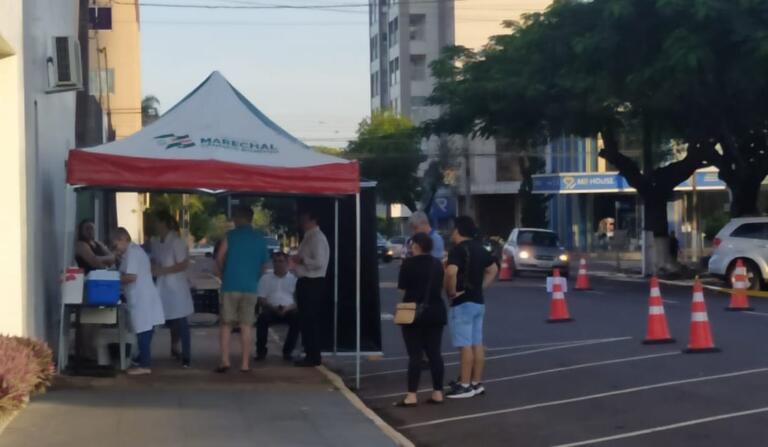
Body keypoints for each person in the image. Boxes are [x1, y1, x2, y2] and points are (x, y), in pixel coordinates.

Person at [444, 216, 498, 398]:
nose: (451, 232)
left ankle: (464, 385)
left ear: (458, 230)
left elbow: (451, 271)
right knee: (477, 343)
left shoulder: (457, 250)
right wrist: (481, 287)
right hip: (478, 301)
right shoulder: (480, 249)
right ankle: (476, 383)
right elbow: (493, 269)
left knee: (465, 345)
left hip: (462, 302)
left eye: (453, 229)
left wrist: (451, 291)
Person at [394, 232, 446, 407]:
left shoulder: (408, 264)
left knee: (415, 355)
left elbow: (402, 290)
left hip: (413, 314)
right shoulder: (437, 264)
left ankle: (412, 395)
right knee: (434, 353)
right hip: (436, 311)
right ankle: (438, 392)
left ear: (416, 246)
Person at [215, 205, 269, 373]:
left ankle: (225, 361)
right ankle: (245, 364)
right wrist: (255, 278)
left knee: (226, 324)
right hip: (250, 287)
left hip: (230, 285)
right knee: (246, 325)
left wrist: (223, 274)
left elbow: (219, 257)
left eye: (235, 217)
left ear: (239, 218)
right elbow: (265, 266)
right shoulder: (260, 238)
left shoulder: (230, 236)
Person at [111, 227, 165, 376]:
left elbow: (131, 277)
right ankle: (142, 358)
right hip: (142, 296)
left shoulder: (133, 253)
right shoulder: (130, 253)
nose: (116, 249)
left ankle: (145, 365)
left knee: (143, 330)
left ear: (123, 239)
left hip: (142, 297)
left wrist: (113, 279)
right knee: (145, 328)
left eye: (116, 245)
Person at [150, 211, 194, 368]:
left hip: (176, 287)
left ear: (164, 223)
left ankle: (186, 356)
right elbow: (154, 258)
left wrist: (163, 271)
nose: (154, 225)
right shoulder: (155, 241)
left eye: (156, 221)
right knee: (154, 319)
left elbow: (183, 264)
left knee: (180, 321)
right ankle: (143, 353)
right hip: (161, 286)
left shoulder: (176, 241)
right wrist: (154, 267)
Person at [292, 208, 330, 367]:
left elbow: (319, 262)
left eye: (304, 218)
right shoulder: (308, 237)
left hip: (313, 282)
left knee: (311, 320)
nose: (301, 222)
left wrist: (302, 260)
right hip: (305, 281)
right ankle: (310, 353)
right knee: (305, 320)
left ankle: (314, 356)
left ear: (313, 220)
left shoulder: (317, 238)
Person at [255, 252, 300, 362]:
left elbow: (298, 301)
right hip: (271, 308)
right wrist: (273, 308)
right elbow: (261, 299)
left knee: (298, 319)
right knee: (262, 319)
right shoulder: (265, 278)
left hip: (289, 309)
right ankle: (261, 352)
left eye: (281, 261)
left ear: (287, 263)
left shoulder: (294, 279)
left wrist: (287, 308)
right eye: (275, 261)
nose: (278, 264)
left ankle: (288, 352)